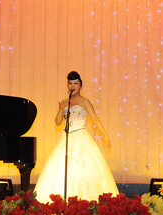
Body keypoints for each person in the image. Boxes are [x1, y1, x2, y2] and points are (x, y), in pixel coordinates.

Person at [34, 71, 119, 202]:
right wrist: (60, 109)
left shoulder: (85, 102)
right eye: (70, 83)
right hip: (66, 138)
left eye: (75, 83)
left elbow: (95, 119)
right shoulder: (65, 102)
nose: (72, 86)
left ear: (80, 86)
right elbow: (58, 122)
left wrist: (105, 135)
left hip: (81, 137)